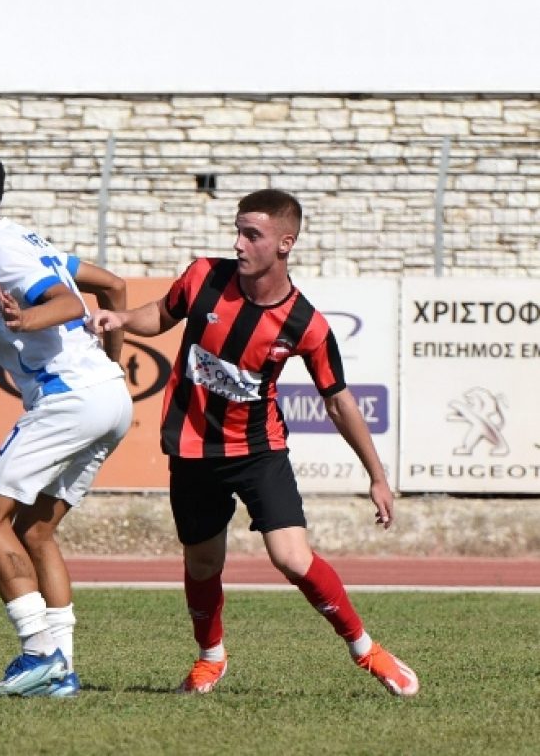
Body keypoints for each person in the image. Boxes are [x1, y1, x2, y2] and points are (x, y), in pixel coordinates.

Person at [89, 188, 419, 697]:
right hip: (193, 448)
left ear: (285, 243)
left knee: (291, 557)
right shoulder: (203, 276)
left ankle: (365, 649)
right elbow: (163, 313)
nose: (238, 244)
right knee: (202, 563)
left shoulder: (306, 324)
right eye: (237, 232)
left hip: (258, 450)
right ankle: (210, 658)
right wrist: (124, 320)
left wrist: (377, 476)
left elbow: (338, 401)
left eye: (252, 234)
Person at [0, 148, 132, 698]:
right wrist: (112, 364)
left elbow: (68, 303)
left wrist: (28, 317)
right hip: (109, 398)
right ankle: (61, 671)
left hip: (70, 399)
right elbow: (114, 287)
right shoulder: (27, 240)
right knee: (35, 531)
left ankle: (40, 654)